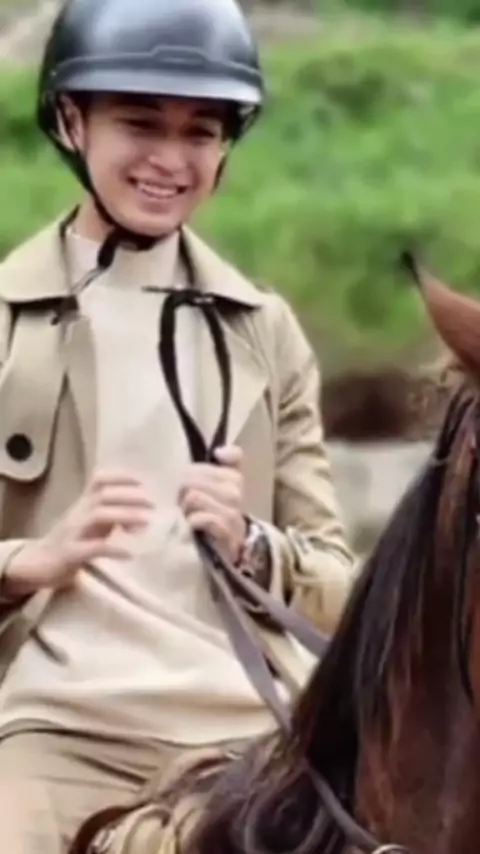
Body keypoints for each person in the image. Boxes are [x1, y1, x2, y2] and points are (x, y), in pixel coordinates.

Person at [0, 0, 355, 850]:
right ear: (71, 120)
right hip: (55, 729)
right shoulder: (7, 319)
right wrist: (28, 562)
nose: (170, 158)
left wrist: (252, 544)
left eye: (201, 131)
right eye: (140, 123)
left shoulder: (265, 331)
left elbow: (341, 583)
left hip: (251, 737)